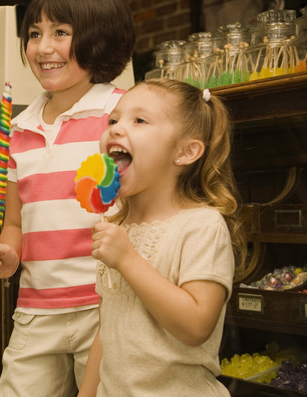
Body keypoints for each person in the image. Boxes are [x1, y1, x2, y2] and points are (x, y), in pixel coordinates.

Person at [0, 0, 135, 397]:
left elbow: (143, 211)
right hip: (35, 311)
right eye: (34, 33)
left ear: (98, 39)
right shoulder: (18, 129)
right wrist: (6, 257)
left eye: (60, 32)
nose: (43, 47)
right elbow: (15, 224)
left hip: (106, 308)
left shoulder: (120, 114)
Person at [77, 79, 246, 396]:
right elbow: (108, 329)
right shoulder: (116, 225)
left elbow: (197, 326)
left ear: (185, 151)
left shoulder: (201, 226)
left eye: (139, 120)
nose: (115, 128)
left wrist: (127, 260)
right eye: (114, 119)